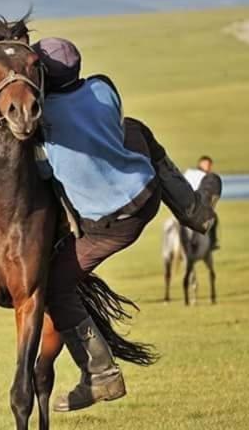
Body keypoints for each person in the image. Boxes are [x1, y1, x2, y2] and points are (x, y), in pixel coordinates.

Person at [32, 38, 218, 412]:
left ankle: (102, 375)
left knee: (55, 287)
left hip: (108, 226)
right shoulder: (102, 86)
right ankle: (194, 210)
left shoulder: (43, 117)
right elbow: (112, 126)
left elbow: (42, 169)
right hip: (146, 192)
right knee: (135, 129)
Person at [184, 156, 222, 249]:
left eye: (209, 165)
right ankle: (213, 242)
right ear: (201, 164)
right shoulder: (206, 177)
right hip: (197, 205)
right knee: (213, 218)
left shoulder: (188, 172)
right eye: (207, 165)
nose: (209, 167)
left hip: (183, 205)